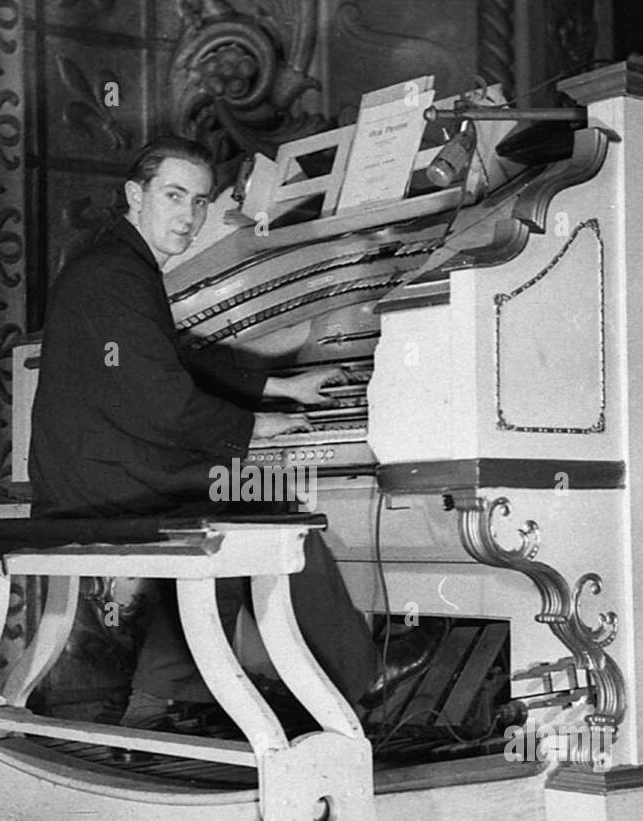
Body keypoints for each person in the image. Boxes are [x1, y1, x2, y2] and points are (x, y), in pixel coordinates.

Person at [29, 135, 434, 728]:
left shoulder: (116, 261)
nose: (189, 217)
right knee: (265, 503)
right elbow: (164, 404)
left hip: (102, 468)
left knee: (223, 521)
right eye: (174, 196)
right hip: (107, 479)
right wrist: (254, 428)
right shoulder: (118, 272)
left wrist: (277, 388)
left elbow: (172, 362)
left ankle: (155, 702)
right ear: (134, 195)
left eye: (198, 201)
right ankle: (358, 672)